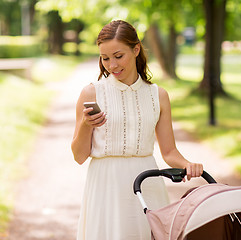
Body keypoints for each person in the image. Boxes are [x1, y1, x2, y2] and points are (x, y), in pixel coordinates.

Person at [71, 20, 203, 240]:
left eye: (118, 56)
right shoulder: (91, 93)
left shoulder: (158, 96)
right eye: (105, 58)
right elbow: (78, 156)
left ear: (136, 49)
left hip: (147, 183)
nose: (112, 65)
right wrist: (86, 125)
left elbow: (169, 152)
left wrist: (188, 165)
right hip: (106, 186)